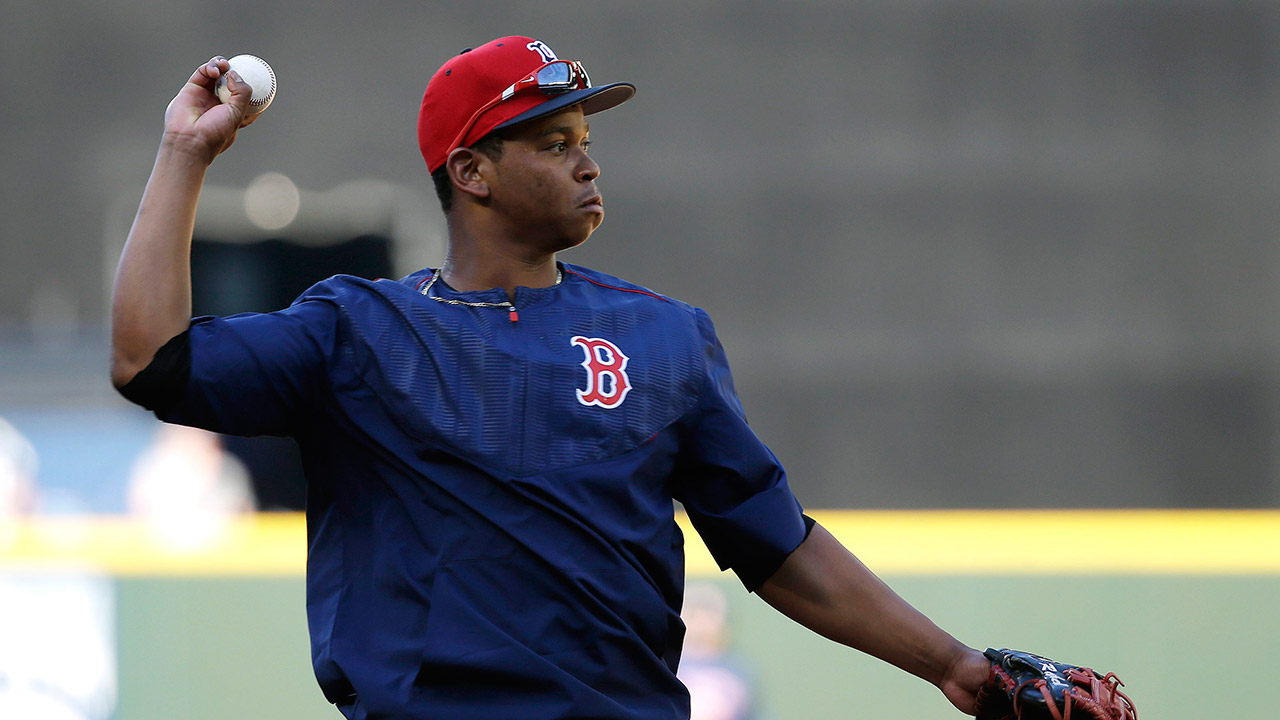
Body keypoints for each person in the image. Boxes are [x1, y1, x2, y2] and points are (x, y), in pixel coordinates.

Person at [110, 37, 991, 719]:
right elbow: (151, 362)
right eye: (552, 141)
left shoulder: (663, 334)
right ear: (471, 172)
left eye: (586, 138)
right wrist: (184, 155)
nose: (587, 161)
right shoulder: (358, 332)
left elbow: (777, 545)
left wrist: (959, 669)